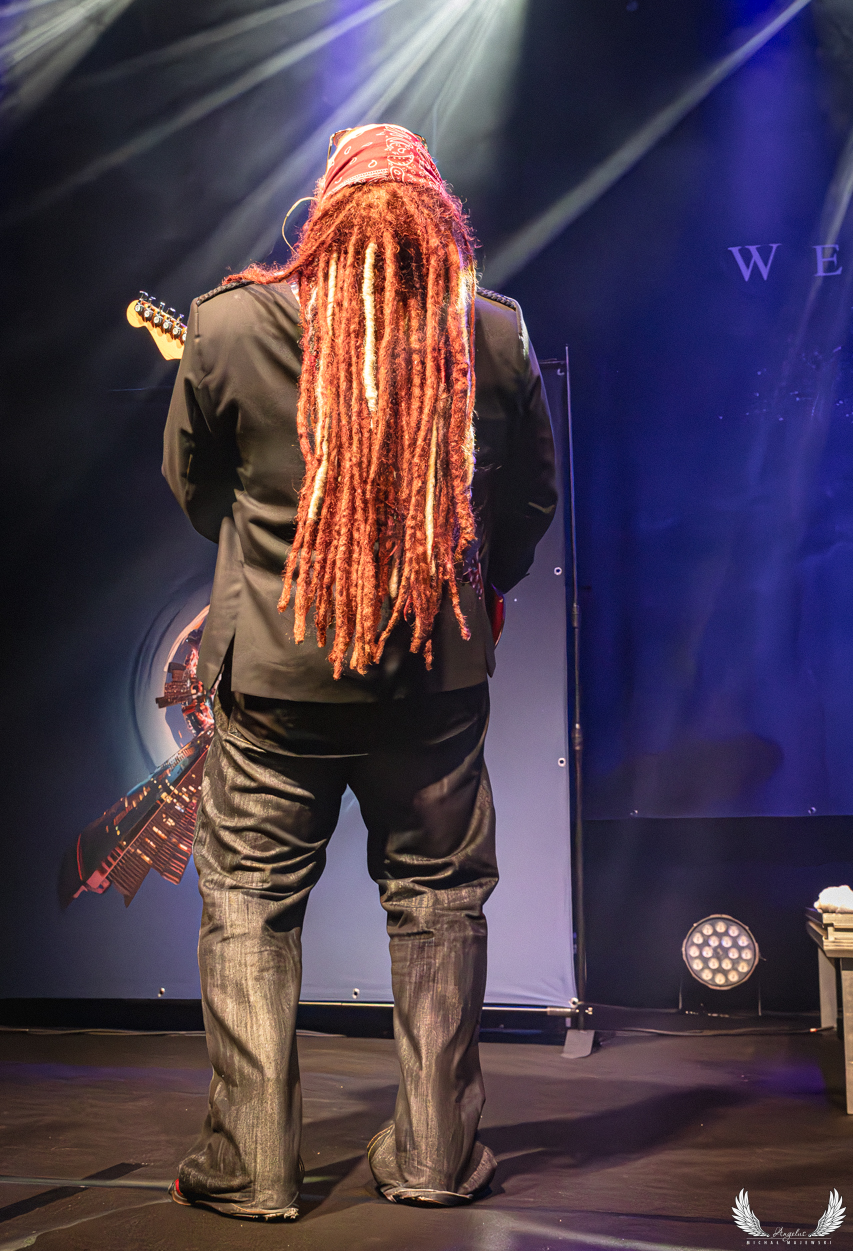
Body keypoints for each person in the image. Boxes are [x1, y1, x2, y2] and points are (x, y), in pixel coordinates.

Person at [162, 123, 557, 1220]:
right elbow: (528, 500)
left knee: (249, 902)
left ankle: (252, 1167)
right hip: (431, 679)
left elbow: (196, 486)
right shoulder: (490, 331)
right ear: (438, 220)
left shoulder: (230, 322)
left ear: (323, 213)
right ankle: (435, 1159)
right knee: (437, 902)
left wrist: (271, 562)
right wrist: (470, 589)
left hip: (273, 678)